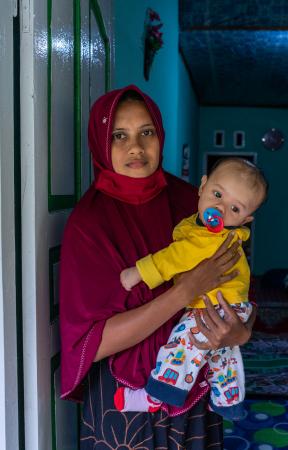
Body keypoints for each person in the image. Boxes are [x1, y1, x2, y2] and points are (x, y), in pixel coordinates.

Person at [59, 85, 255, 450]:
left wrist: (239, 335)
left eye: (146, 132)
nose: (136, 147)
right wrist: (186, 290)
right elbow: (93, 341)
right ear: (101, 142)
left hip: (195, 391)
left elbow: (240, 292)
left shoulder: (195, 206)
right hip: (123, 402)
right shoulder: (89, 224)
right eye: (119, 135)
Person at [115, 158, 267, 420]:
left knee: (182, 346)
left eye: (234, 208)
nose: (219, 208)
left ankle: (155, 396)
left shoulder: (209, 238)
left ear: (246, 218)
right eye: (217, 195)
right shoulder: (201, 227)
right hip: (233, 308)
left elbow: (175, 257)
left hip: (213, 308)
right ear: (202, 186)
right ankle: (228, 402)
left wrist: (138, 273)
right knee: (222, 357)